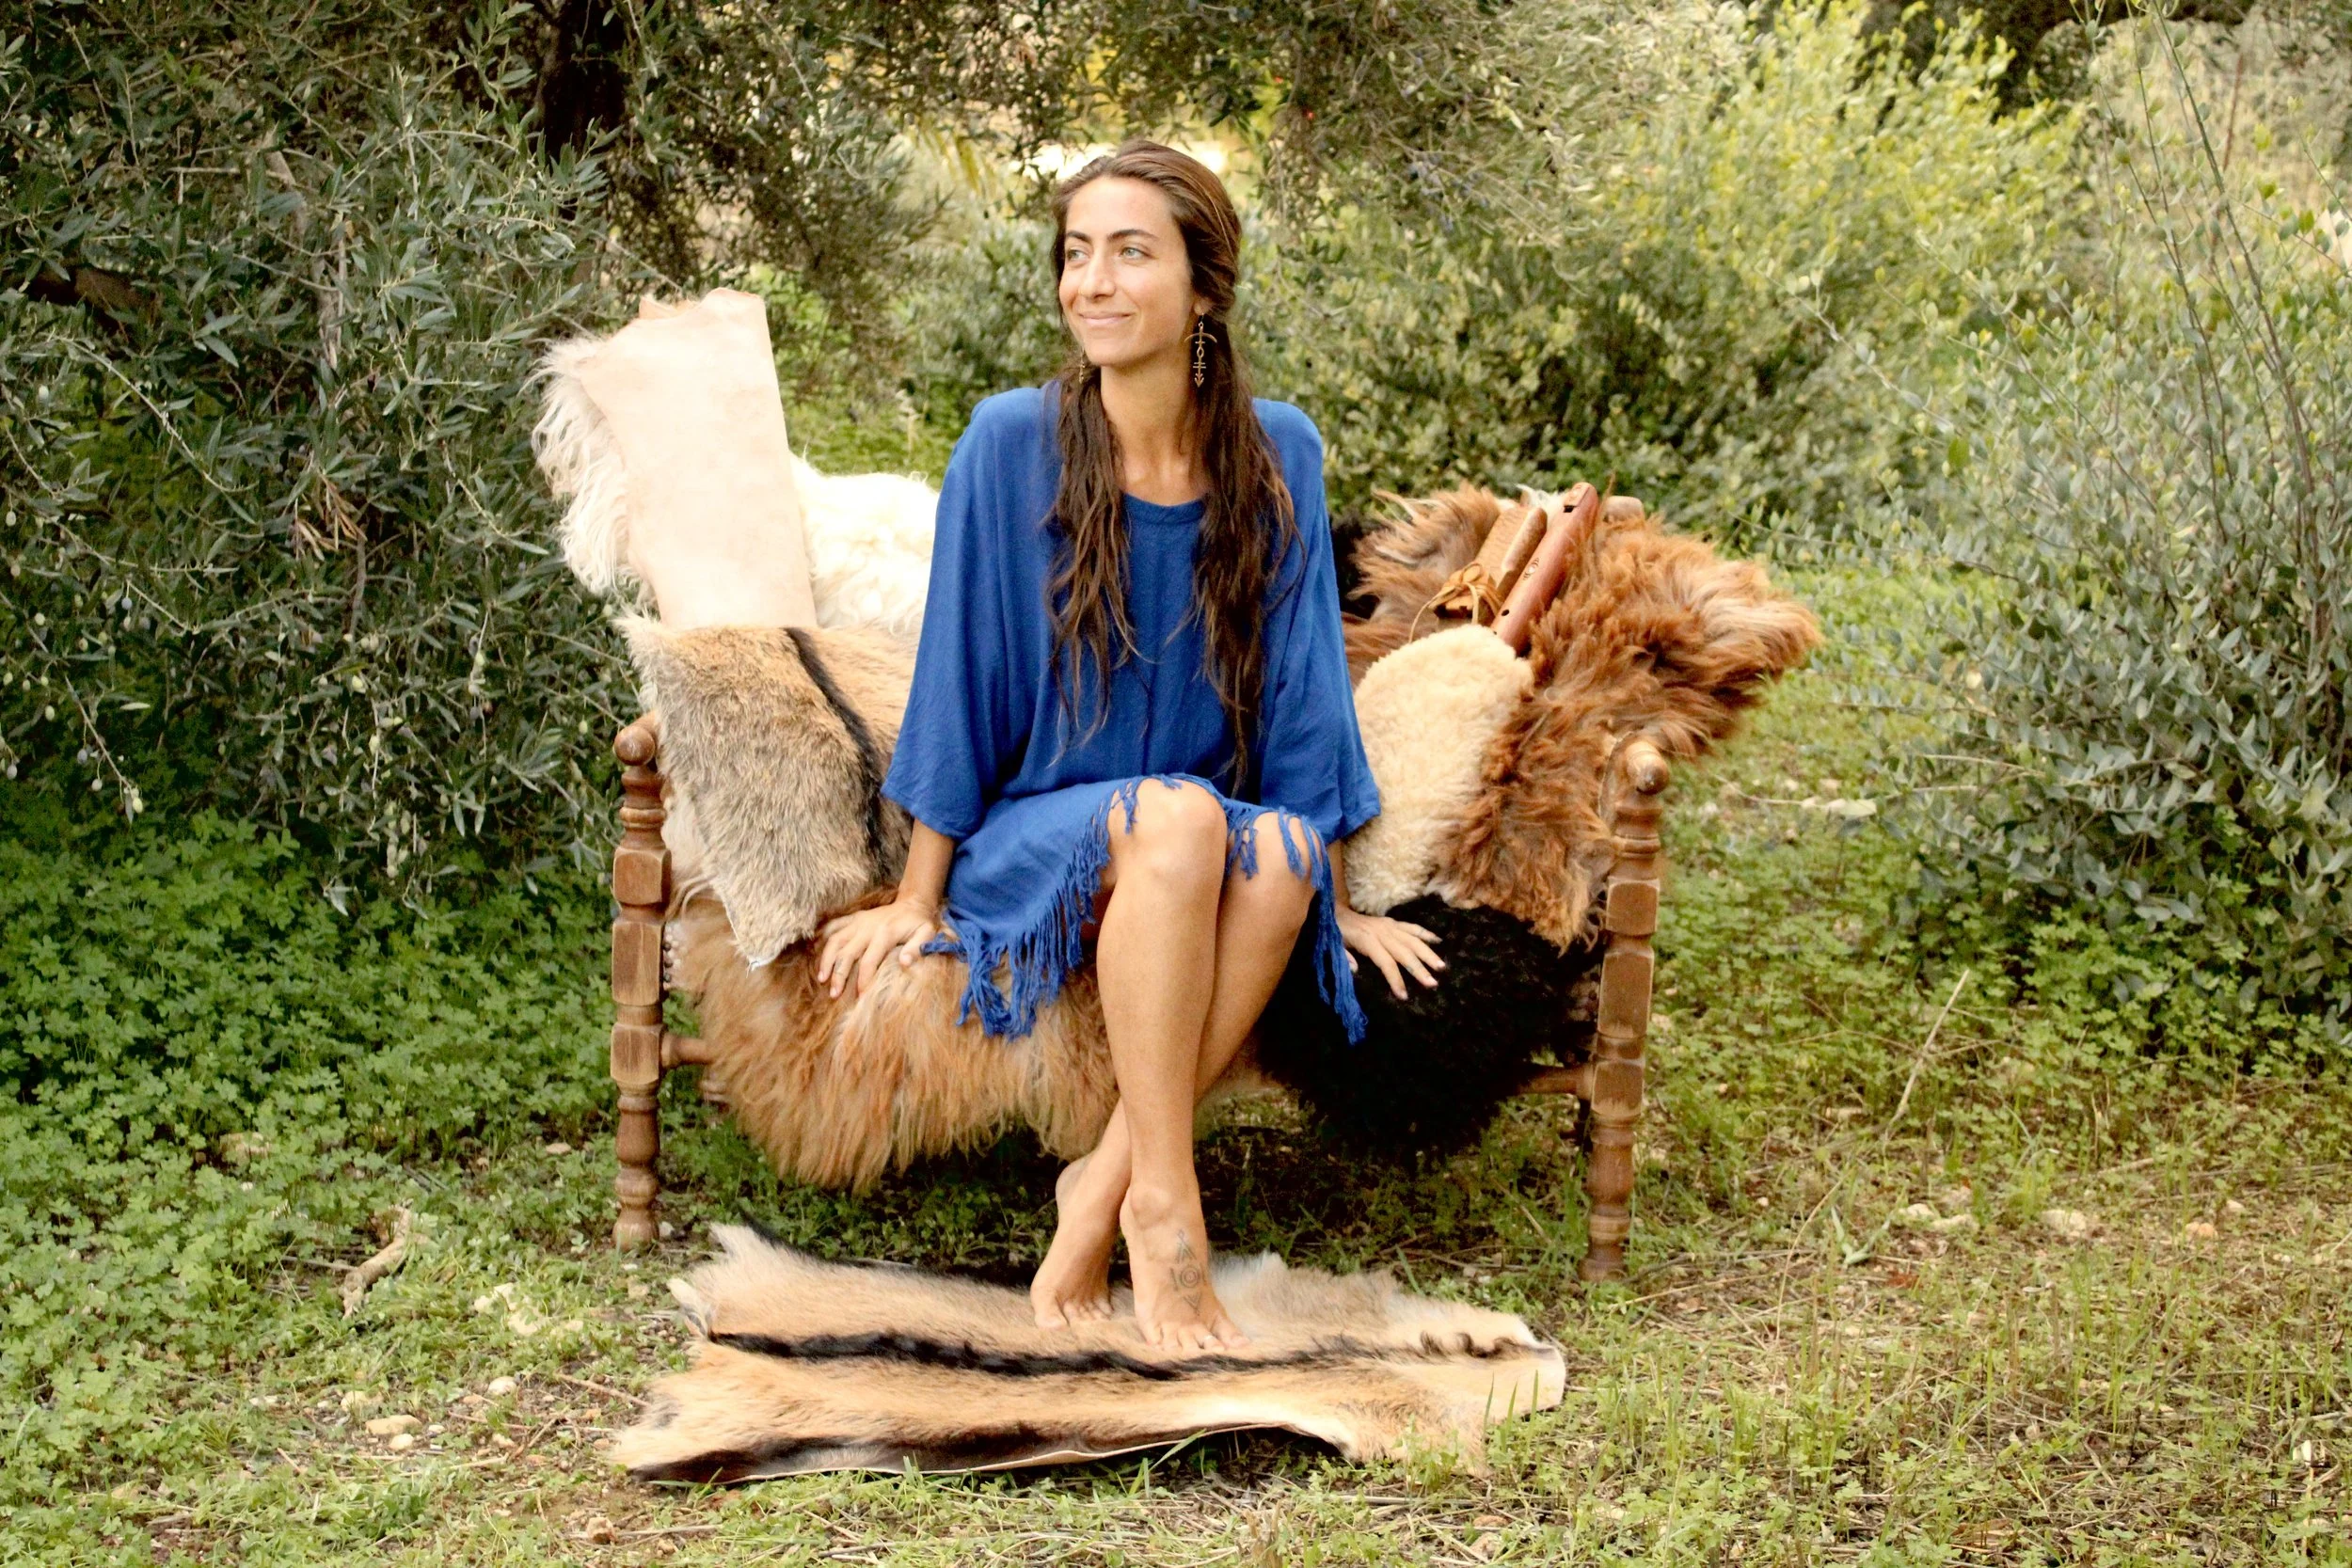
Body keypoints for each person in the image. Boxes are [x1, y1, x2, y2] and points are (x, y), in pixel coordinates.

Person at [813, 141, 1442, 1353]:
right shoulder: (1011, 442)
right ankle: (1166, 1208)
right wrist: (916, 893)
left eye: (1130, 252)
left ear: (1204, 287)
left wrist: (1342, 896)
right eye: (1075, 253)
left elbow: (1309, 685)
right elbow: (963, 674)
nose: (1092, 281)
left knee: (1279, 855)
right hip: (1038, 839)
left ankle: (1096, 1188)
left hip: (1182, 839)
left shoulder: (1280, 456)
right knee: (1187, 816)